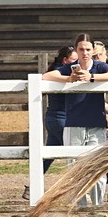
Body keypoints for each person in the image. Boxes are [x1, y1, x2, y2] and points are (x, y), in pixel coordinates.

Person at [43, 34, 108, 204]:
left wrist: (91, 78)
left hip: (96, 124)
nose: (85, 52)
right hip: (73, 124)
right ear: (76, 50)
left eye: (88, 49)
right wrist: (68, 79)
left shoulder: (99, 66)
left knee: (97, 168)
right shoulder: (70, 68)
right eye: (81, 49)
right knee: (74, 169)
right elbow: (46, 76)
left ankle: (97, 206)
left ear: (92, 51)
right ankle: (78, 206)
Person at [23, 45, 76, 201]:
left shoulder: (60, 71)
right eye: (73, 60)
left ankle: (31, 188)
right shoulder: (62, 72)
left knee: (49, 155)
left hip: (53, 118)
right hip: (63, 118)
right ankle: (72, 190)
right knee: (74, 154)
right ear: (65, 60)